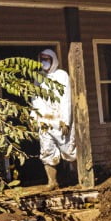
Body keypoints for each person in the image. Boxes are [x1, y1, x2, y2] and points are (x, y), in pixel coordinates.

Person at [31, 48, 76, 190]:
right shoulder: (38, 77)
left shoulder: (62, 75)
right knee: (47, 151)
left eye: (47, 59)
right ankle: (52, 182)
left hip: (60, 119)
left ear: (53, 60)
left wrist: (65, 120)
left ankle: (77, 178)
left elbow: (66, 99)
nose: (44, 62)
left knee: (69, 150)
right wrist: (34, 117)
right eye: (42, 58)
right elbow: (35, 99)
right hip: (44, 121)